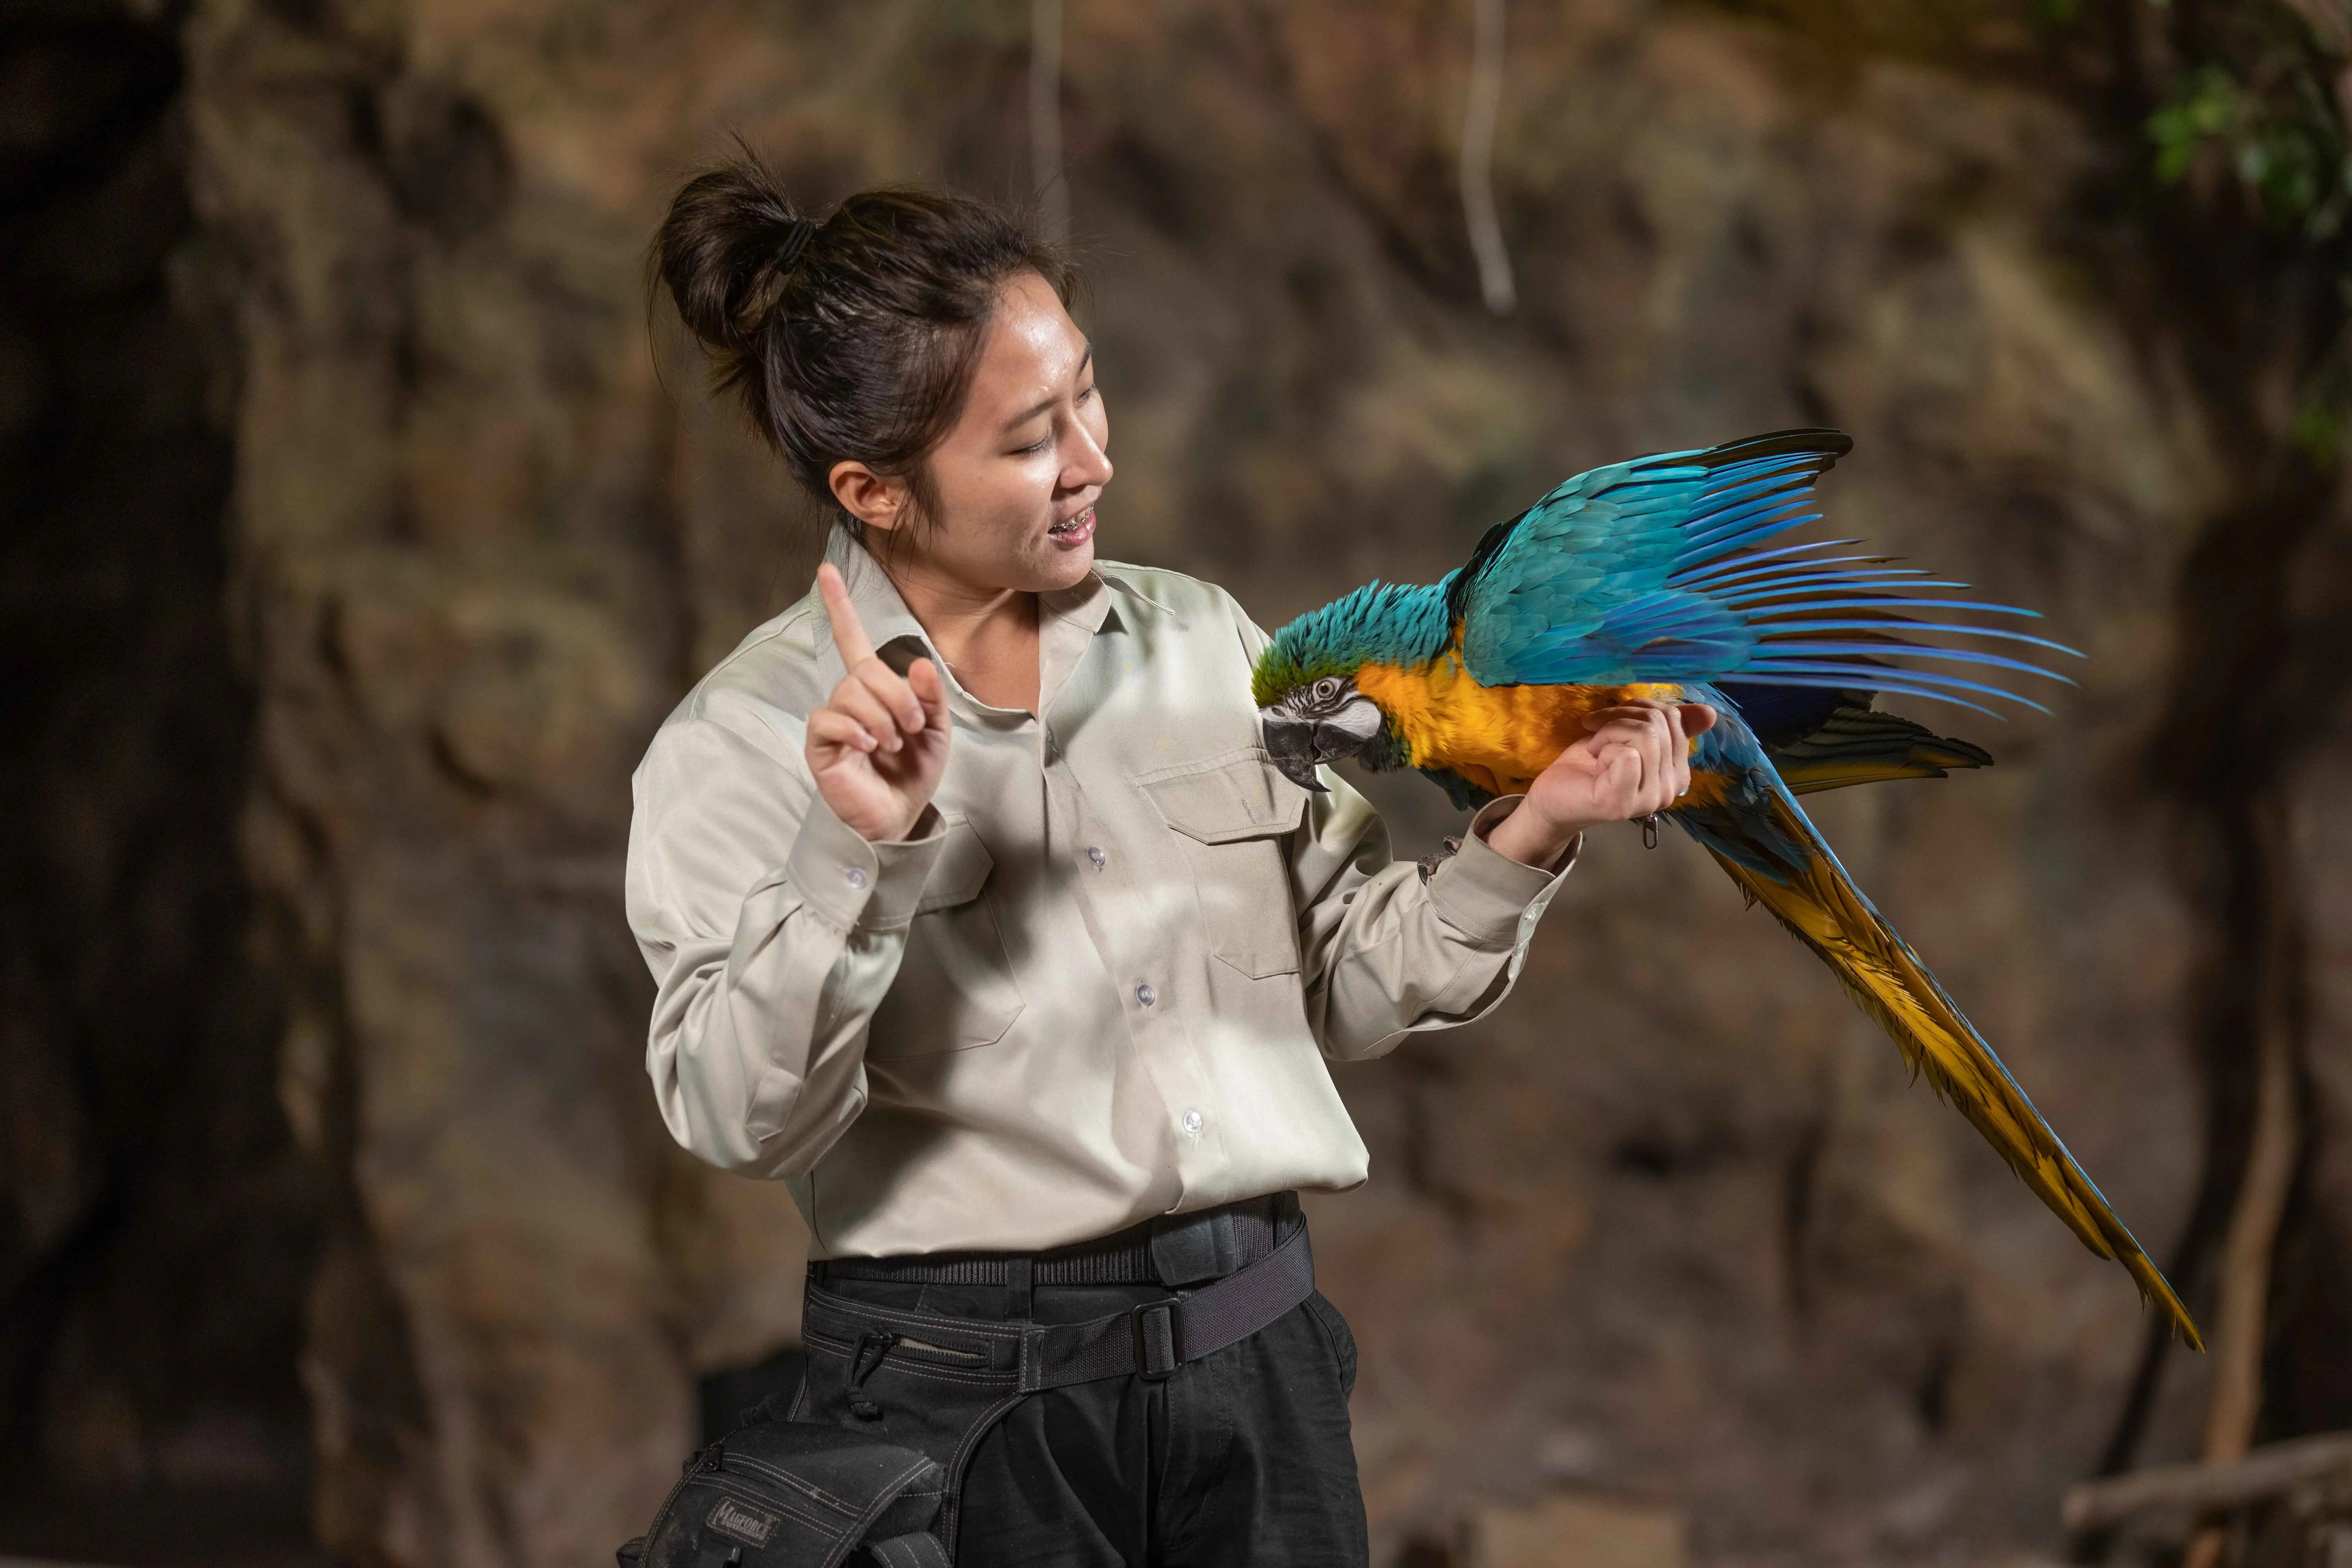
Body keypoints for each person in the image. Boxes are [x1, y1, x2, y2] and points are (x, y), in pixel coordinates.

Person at [628, 154, 1713, 1568]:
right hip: (959, 1416)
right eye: (1029, 439)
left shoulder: (1206, 640)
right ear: (875, 489)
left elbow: (1338, 989)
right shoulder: (740, 741)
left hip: (1253, 1368)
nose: (1095, 462)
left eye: (1086, 393)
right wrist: (853, 845)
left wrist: (1533, 826)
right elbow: (739, 1120)